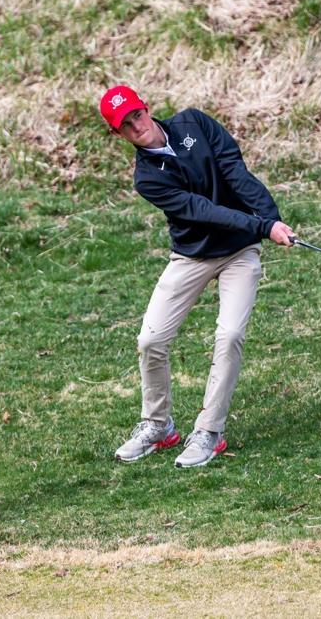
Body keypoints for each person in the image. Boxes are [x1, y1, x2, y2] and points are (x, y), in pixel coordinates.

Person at [100, 85, 295, 468]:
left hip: (240, 250)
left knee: (230, 335)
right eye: (125, 124)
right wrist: (262, 226)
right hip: (192, 255)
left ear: (146, 108)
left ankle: (209, 430)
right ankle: (158, 425)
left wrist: (270, 218)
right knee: (150, 340)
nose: (136, 125)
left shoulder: (195, 123)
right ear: (117, 134)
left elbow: (235, 173)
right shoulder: (147, 179)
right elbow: (201, 210)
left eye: (136, 114)